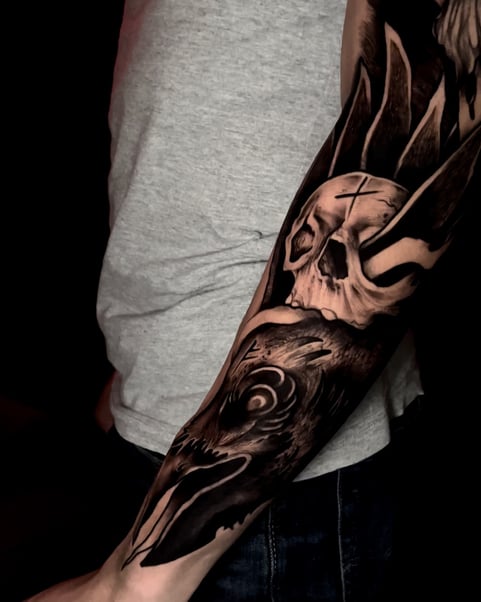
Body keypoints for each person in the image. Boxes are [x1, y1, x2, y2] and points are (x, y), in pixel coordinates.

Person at [28, 0, 480, 600]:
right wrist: (149, 356)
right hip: (170, 412)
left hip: (272, 471)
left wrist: (137, 583)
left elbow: (430, 95)